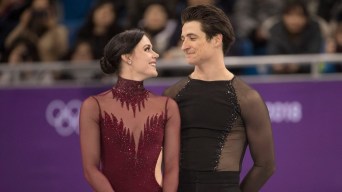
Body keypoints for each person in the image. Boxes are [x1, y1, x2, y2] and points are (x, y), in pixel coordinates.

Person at [163, 5, 276, 192]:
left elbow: (266, 165)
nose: (184, 46)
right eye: (182, 39)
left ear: (216, 39)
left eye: (192, 38)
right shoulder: (173, 94)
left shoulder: (247, 98)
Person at [79, 29, 180, 192]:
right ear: (127, 57)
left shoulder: (167, 106)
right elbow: (90, 170)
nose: (156, 55)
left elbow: (172, 169)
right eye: (147, 49)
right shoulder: (94, 106)